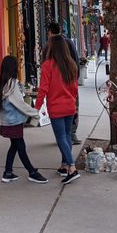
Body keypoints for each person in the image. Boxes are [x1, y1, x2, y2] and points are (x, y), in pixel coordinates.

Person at [0, 56, 49, 184]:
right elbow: (20, 104)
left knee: (14, 146)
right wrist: (34, 112)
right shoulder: (12, 84)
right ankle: (32, 172)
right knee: (20, 146)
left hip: (8, 121)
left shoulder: (4, 82)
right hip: (13, 122)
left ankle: (8, 172)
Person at [36, 35, 80, 184]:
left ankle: (72, 167)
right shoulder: (71, 64)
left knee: (61, 137)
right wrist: (74, 105)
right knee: (66, 136)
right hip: (69, 106)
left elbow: (43, 89)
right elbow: (75, 89)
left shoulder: (48, 65)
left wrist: (36, 107)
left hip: (56, 107)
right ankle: (64, 165)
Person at [42, 22, 81, 145]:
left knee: (58, 111)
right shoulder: (68, 43)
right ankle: (71, 134)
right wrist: (75, 79)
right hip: (70, 82)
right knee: (73, 108)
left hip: (56, 86)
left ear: (49, 32)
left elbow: (44, 64)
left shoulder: (48, 45)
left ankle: (63, 136)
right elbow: (76, 62)